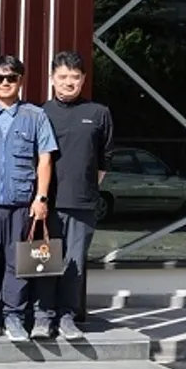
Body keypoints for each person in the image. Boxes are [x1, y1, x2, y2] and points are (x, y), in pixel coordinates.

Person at [0, 55, 58, 342]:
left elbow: (45, 159)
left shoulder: (35, 116)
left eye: (11, 77)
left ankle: (14, 317)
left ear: (21, 80)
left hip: (22, 204)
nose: (5, 83)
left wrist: (41, 198)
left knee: (18, 263)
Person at [40, 51, 113, 340]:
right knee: (45, 261)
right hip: (47, 203)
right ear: (51, 79)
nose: (68, 82)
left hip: (82, 203)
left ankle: (67, 316)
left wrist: (86, 187)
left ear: (83, 79)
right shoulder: (40, 112)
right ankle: (43, 315)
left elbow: (104, 160)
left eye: (75, 77)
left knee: (74, 263)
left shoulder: (98, 113)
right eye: (62, 76)